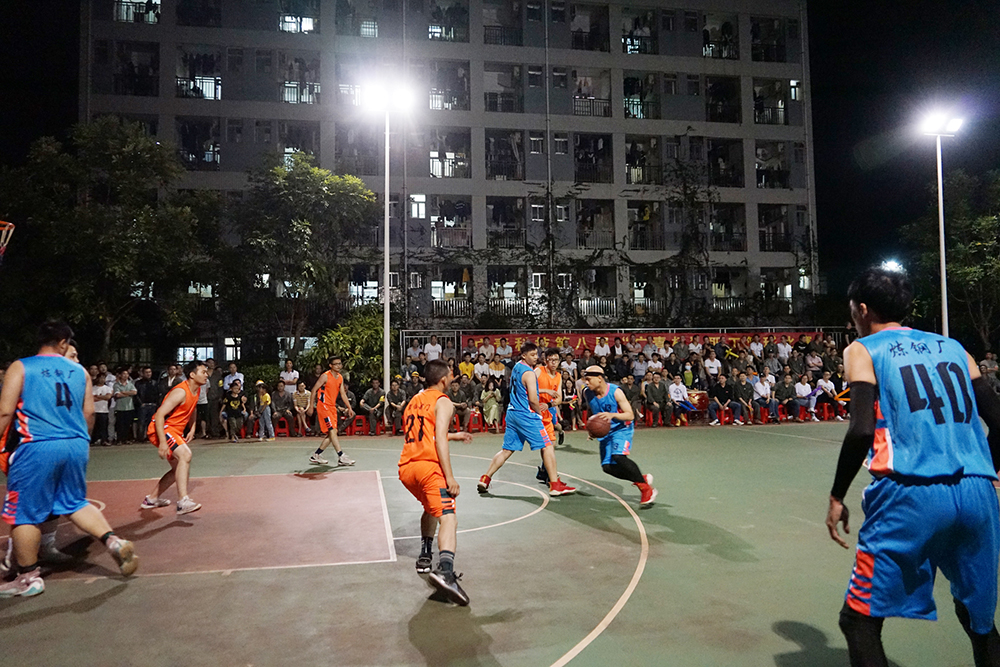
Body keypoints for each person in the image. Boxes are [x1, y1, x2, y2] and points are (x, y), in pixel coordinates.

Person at [826, 267, 1000, 667]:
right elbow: (999, 419)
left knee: (858, 620)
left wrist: (837, 495)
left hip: (910, 492)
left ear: (862, 310)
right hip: (977, 492)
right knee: (978, 620)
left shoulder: (863, 349)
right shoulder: (955, 348)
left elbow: (861, 430)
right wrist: (986, 467)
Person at [0, 323, 139, 597]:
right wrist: (82, 442)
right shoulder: (80, 372)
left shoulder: (22, 367)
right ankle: (113, 541)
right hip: (75, 444)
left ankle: (28, 578)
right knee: (74, 502)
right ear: (63, 342)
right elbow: (90, 413)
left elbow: (5, 412)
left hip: (38, 445)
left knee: (24, 513)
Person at [398, 359, 472, 605]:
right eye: (450, 375)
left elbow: (424, 433)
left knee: (431, 508)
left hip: (407, 468)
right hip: (428, 468)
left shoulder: (414, 401)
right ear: (443, 379)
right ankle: (446, 571)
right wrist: (449, 477)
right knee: (449, 517)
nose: (452, 378)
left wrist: (454, 435)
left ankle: (425, 555)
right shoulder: (444, 401)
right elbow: (438, 439)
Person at [478, 343, 576, 497]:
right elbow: (533, 400)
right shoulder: (530, 373)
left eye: (536, 354)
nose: (536, 357)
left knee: (507, 450)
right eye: (532, 355)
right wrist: (538, 413)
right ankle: (555, 485)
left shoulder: (516, 367)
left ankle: (485, 478)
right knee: (548, 446)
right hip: (526, 415)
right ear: (524, 355)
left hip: (512, 413)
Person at [582, 366, 657, 507]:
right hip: (606, 432)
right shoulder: (587, 393)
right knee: (607, 467)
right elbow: (593, 412)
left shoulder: (615, 392)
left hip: (621, 428)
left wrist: (612, 415)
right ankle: (641, 478)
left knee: (618, 457)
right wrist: (593, 429)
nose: (586, 382)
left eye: (588, 379)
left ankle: (646, 489)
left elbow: (630, 415)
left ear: (600, 378)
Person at [143, 359, 210, 515]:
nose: (206, 375)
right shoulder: (180, 391)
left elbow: (192, 409)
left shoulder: (197, 390)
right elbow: (159, 415)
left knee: (176, 470)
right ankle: (183, 502)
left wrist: (192, 427)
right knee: (185, 455)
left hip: (174, 431)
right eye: (203, 372)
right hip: (163, 429)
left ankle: (151, 499)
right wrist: (162, 442)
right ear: (192, 375)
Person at [306, 356, 355, 466]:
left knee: (333, 433)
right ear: (330, 365)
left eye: (340, 363)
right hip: (323, 406)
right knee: (332, 430)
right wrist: (311, 406)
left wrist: (349, 407)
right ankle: (341, 456)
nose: (338, 366)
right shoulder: (325, 376)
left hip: (332, 407)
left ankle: (316, 455)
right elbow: (313, 390)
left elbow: (343, 394)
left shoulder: (340, 377)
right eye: (336, 364)